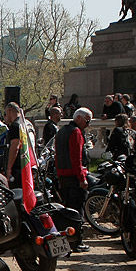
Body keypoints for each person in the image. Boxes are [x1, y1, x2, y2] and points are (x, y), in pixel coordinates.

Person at [55, 107, 92, 252]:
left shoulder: (61, 131)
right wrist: (82, 179)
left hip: (63, 176)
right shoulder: (75, 132)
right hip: (74, 177)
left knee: (67, 209)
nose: (88, 124)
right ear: (79, 118)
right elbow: (76, 159)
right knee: (77, 211)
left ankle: (68, 241)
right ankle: (76, 241)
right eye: (87, 121)